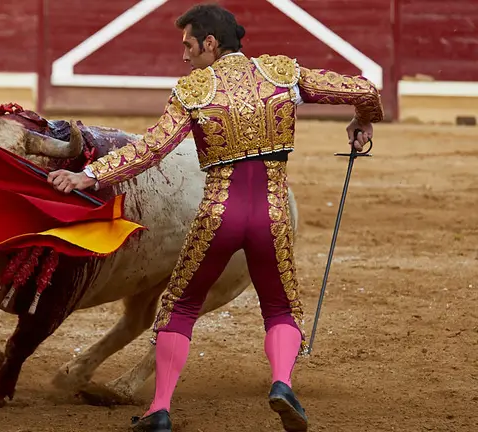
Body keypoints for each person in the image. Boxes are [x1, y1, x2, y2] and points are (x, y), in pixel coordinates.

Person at [47, 3, 383, 431]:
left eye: (188, 45)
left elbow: (151, 148)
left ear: (210, 42)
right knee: (280, 308)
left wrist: (90, 176)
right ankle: (281, 384)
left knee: (179, 307)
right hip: (273, 212)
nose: (184, 55)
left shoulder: (193, 91)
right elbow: (365, 91)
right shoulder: (283, 75)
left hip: (218, 214)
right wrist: (362, 122)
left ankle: (160, 408)